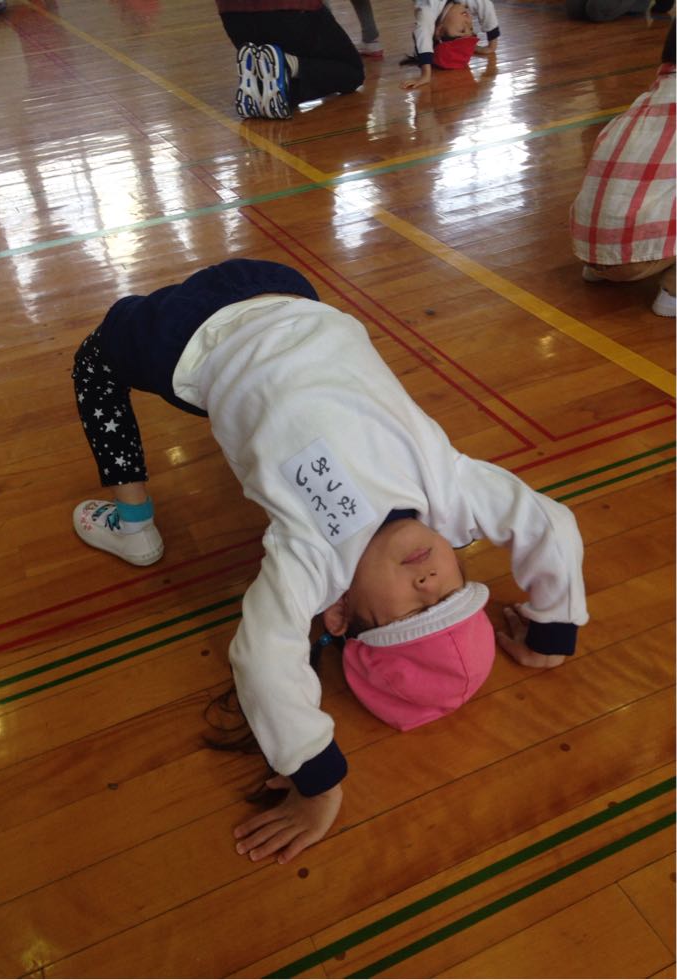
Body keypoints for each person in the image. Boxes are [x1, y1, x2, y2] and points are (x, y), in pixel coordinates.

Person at [71, 258, 588, 863]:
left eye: (414, 613)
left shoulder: (314, 560)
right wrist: (554, 628)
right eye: (452, 594)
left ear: (338, 615)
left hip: (190, 338)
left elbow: (264, 658)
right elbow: (551, 523)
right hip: (291, 295)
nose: (429, 582)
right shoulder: (452, 495)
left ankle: (133, 525)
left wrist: (317, 781)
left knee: (93, 363)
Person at [570, 20, 676, 317]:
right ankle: (673, 293)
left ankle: (602, 270)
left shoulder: (645, 101)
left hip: (589, 249)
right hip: (635, 260)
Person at [214, 0, 364, 120]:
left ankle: (261, 91)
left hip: (233, 19)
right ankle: (288, 65)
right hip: (290, 12)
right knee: (352, 71)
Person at [401, 0, 499, 90]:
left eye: (462, 30)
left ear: (440, 30)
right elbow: (485, 4)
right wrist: (492, 45)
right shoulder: (461, 2)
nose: (468, 21)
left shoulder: (427, 11)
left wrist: (426, 75)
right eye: (471, 28)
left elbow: (423, 33)